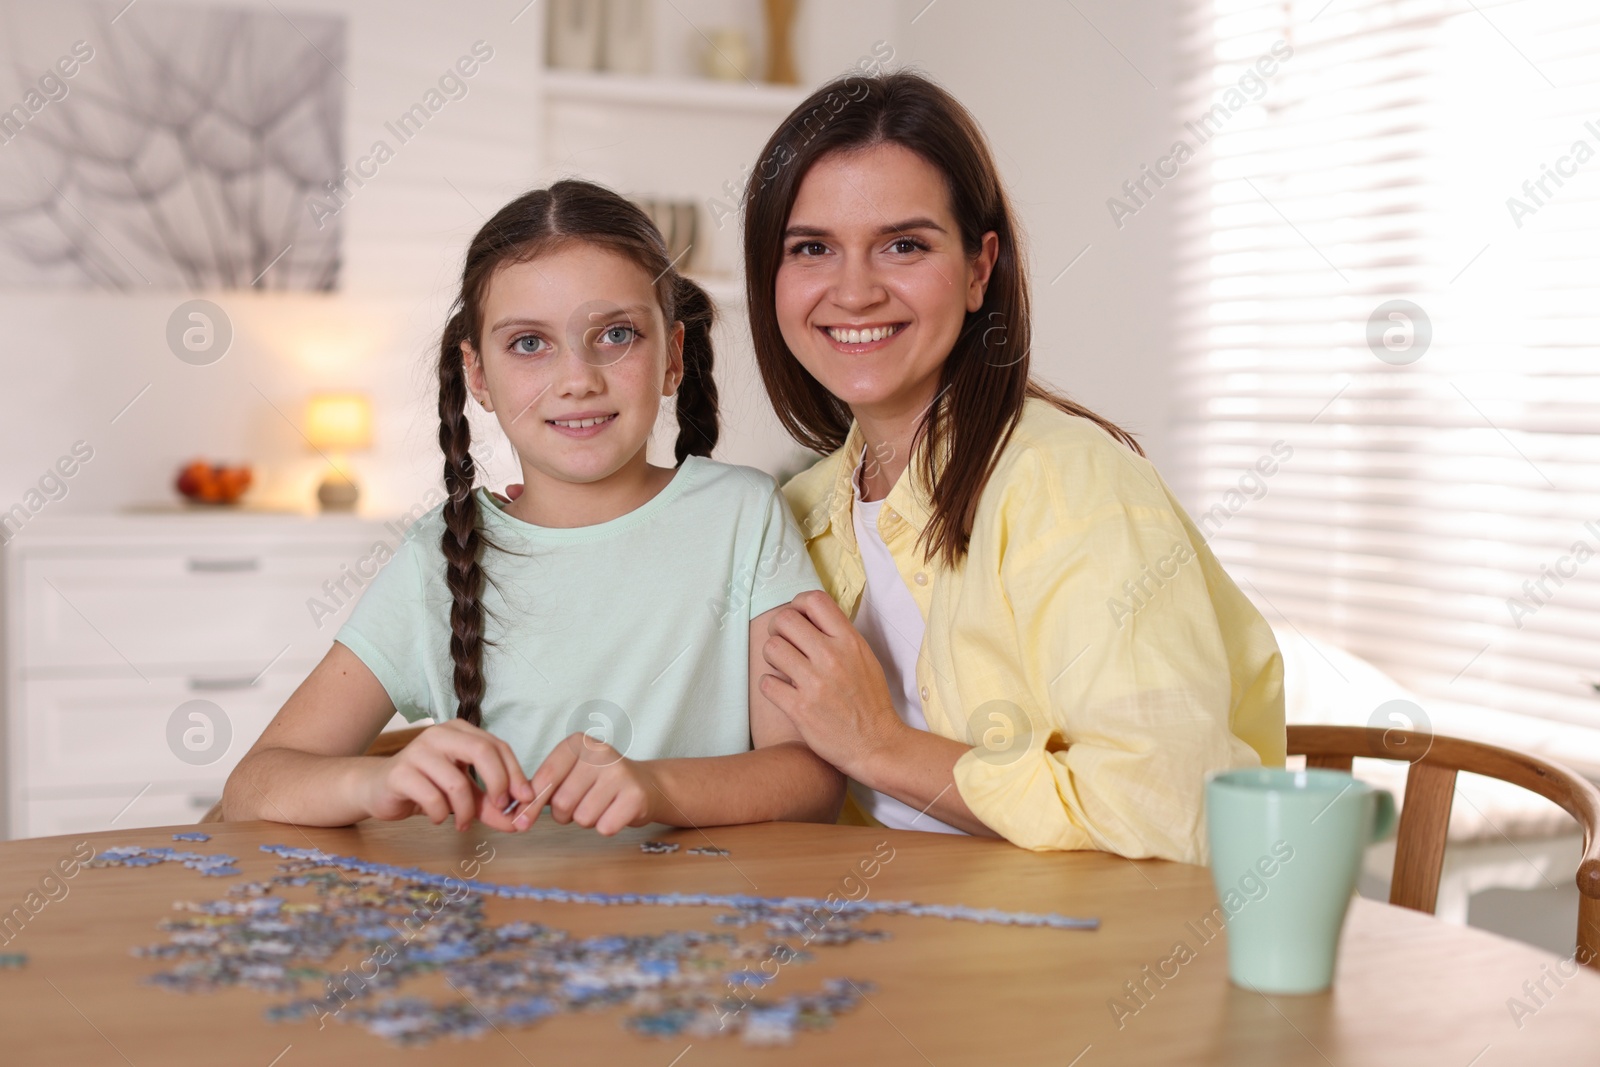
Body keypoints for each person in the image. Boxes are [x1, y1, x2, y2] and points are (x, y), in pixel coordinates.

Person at [743, 72, 1285, 864]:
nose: (854, 290)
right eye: (812, 248)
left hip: (1073, 961)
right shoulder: (795, 513)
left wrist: (882, 746)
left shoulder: (1070, 484)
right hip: (868, 943)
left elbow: (1166, 804)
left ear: (977, 269)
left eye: (904, 245)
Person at [223, 180, 842, 835]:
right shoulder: (438, 559)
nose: (578, 378)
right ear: (479, 376)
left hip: (706, 931)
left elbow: (810, 779)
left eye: (617, 334)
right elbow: (252, 786)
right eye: (528, 343)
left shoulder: (742, 516)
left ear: (673, 357)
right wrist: (374, 779)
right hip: (507, 931)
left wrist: (654, 787)